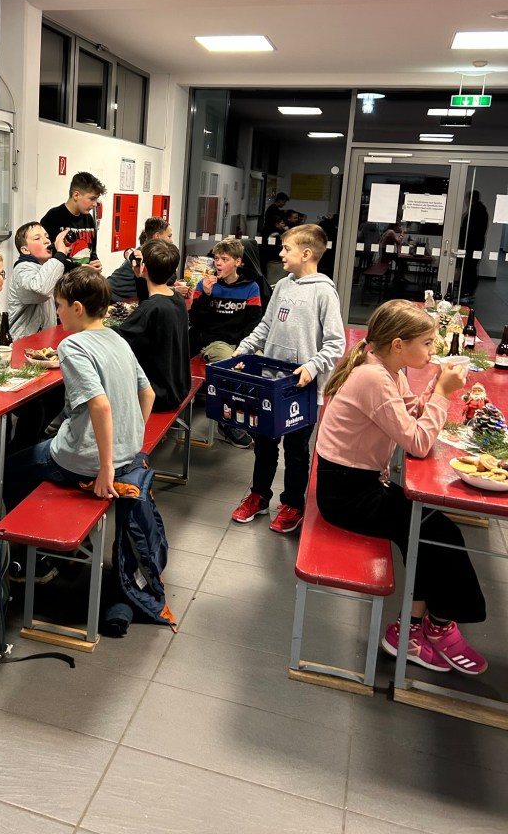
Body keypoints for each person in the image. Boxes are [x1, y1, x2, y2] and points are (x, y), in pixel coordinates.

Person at [315, 300, 487, 675]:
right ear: (397, 344)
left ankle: (415, 626)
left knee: (430, 529)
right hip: (345, 494)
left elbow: (409, 411)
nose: (432, 348)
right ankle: (432, 627)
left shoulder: (387, 370)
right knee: (438, 532)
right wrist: (442, 394)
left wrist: (436, 389)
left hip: (358, 483)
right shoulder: (373, 377)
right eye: (426, 342)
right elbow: (418, 442)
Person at [3, 269, 155, 579]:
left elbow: (100, 405)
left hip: (88, 460)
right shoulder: (117, 337)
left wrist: (106, 467)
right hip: (129, 453)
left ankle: (35, 557)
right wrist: (131, 441)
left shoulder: (71, 346)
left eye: (59, 305)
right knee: (42, 446)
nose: (57, 312)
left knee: (11, 470)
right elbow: (148, 393)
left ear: (77, 308)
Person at [231, 225, 345, 531]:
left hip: (302, 389)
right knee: (265, 444)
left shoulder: (324, 292)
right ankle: (258, 496)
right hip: (270, 383)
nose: (281, 253)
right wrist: (244, 349)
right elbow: (266, 325)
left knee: (296, 451)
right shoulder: (282, 285)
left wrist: (312, 366)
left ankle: (293, 503)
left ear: (306, 254)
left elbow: (336, 343)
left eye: (287, 248)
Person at [188, 238, 262, 448]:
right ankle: (227, 421)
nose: (218, 263)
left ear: (238, 262)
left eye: (224, 259)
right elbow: (195, 320)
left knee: (259, 365)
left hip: (240, 341)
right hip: (213, 341)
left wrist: (244, 348)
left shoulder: (251, 287)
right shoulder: (205, 284)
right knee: (230, 367)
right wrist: (206, 296)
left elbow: (254, 322)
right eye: (216, 258)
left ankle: (248, 415)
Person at [115, 239, 191, 410]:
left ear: (144, 267)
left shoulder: (150, 310)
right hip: (177, 388)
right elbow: (149, 302)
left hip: (157, 396)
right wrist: (140, 277)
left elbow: (117, 340)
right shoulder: (177, 299)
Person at [7, 221, 70, 339]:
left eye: (47, 237)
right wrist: (60, 254)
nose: (47, 241)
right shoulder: (22, 269)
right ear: (25, 250)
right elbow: (40, 290)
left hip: (42, 339)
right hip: (24, 341)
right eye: (37, 238)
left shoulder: (44, 268)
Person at [40, 171, 106, 271]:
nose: (95, 204)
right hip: (62, 279)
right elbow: (48, 257)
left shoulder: (89, 219)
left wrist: (95, 262)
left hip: (84, 278)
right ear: (76, 195)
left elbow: (92, 252)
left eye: (96, 200)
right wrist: (79, 268)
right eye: (92, 199)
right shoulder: (53, 217)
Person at [108, 216, 172, 301]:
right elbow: (163, 278)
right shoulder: (146, 255)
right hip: (111, 296)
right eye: (169, 236)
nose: (171, 240)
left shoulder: (148, 251)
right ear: (157, 236)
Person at [459, 190, 489, 302]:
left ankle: (465, 293)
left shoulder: (473, 213)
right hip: (477, 246)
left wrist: (463, 245)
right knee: (472, 270)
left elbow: (468, 231)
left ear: (469, 199)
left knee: (467, 270)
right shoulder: (483, 212)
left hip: (470, 246)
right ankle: (470, 293)